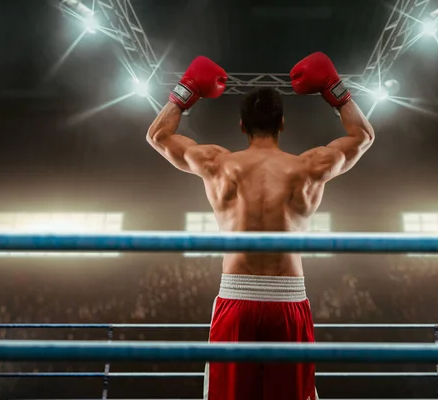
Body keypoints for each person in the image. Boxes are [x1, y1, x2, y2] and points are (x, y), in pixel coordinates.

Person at [146, 52, 375, 400]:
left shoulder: (217, 164)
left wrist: (186, 90)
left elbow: (158, 135)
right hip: (289, 301)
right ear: (282, 124)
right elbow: (363, 136)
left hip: (237, 299)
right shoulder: (308, 167)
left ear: (242, 126)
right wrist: (334, 89)